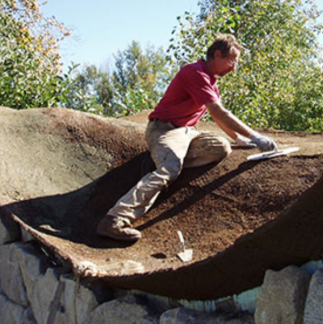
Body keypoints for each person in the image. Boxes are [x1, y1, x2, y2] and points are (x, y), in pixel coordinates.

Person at [97, 34, 277, 241]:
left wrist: (239, 139)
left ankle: (166, 158)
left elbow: (215, 116)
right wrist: (255, 135)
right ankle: (114, 219)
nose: (234, 67)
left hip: (187, 132)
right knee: (169, 169)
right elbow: (219, 112)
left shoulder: (212, 80)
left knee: (221, 147)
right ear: (217, 54)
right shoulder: (194, 72)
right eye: (232, 60)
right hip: (163, 130)